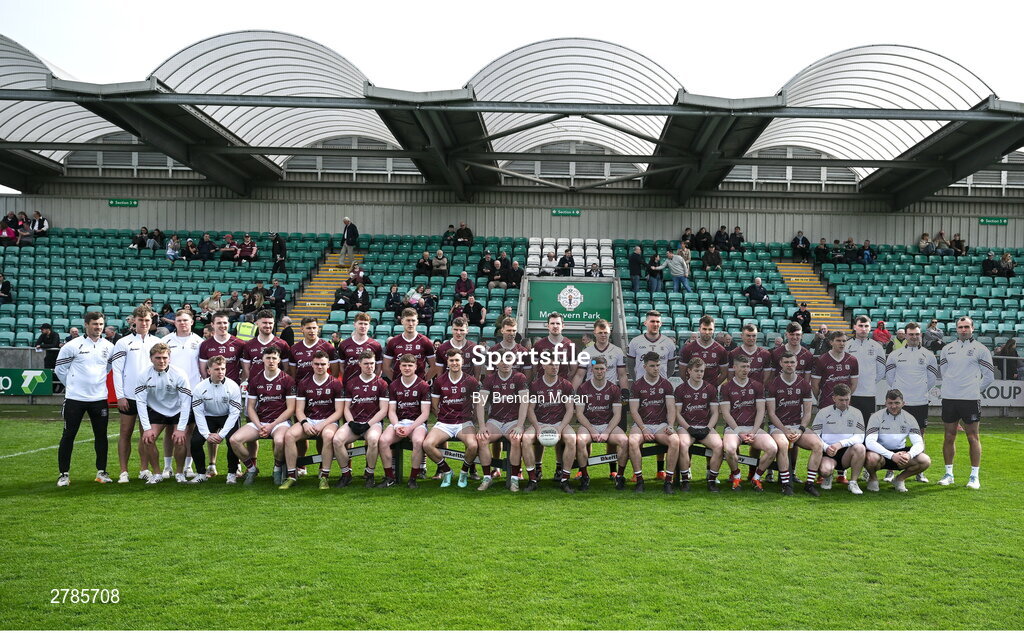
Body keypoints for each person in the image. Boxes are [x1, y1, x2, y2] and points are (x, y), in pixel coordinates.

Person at [53, 311, 115, 487]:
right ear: (86, 325)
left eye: (101, 324)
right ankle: (63, 474)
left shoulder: (109, 347)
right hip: (75, 399)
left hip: (99, 399)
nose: (98, 327)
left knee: (101, 436)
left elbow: (108, 367)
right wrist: (73, 386)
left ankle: (101, 472)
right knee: (69, 435)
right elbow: (60, 369)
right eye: (95, 324)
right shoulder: (72, 346)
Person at [937, 316, 994, 489]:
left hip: (970, 399)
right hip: (949, 399)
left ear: (973, 328)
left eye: (966, 327)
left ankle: (974, 477)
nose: (963, 330)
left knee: (973, 437)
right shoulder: (947, 349)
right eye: (960, 327)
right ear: (956, 329)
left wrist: (974, 390)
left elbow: (989, 376)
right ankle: (949, 474)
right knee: (949, 436)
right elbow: (945, 373)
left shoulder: (981, 349)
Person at [279, 350, 345, 490]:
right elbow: (299, 410)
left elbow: (339, 411)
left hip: (328, 421)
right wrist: (304, 422)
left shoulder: (336, 384)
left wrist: (322, 424)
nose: (319, 367)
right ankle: (291, 475)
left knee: (328, 436)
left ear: (328, 365)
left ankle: (324, 476)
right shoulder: (304, 383)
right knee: (289, 435)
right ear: (312, 365)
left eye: (322, 364)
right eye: (316, 364)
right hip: (309, 420)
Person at [231, 346, 296, 485]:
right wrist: (260, 425)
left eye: (274, 358)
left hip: (280, 423)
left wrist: (271, 425)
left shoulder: (287, 380)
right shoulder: (255, 380)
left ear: (279, 360)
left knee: (279, 441)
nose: (271, 361)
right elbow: (250, 407)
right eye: (268, 358)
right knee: (234, 440)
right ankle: (252, 469)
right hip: (260, 422)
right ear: (262, 359)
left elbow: (290, 409)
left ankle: (277, 468)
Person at [884, 322, 939, 483]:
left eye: (917, 334)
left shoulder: (928, 355)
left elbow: (931, 379)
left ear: (920, 335)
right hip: (900, 403)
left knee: (920, 435)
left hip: (920, 401)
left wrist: (919, 390)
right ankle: (890, 470)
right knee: (893, 436)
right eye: (911, 334)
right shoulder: (895, 354)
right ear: (905, 336)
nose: (914, 337)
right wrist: (899, 395)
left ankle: (919, 472)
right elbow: (890, 378)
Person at [111, 306, 161, 484]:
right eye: (140, 320)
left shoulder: (156, 342)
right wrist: (120, 396)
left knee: (146, 434)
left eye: (147, 320)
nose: (144, 323)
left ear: (151, 321)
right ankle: (123, 472)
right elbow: (117, 370)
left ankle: (143, 469)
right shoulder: (123, 342)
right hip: (129, 396)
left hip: (150, 397)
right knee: (125, 433)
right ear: (133, 321)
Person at [134, 343, 193, 485]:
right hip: (156, 410)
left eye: (165, 357)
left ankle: (179, 473)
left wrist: (180, 429)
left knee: (180, 439)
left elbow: (186, 403)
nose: (162, 361)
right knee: (147, 439)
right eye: (158, 358)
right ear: (151, 359)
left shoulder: (179, 374)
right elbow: (140, 402)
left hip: (177, 410)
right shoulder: (143, 375)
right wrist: (146, 428)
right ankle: (157, 473)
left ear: (170, 358)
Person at [765, 352, 822, 495]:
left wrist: (801, 430)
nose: (789, 365)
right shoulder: (773, 384)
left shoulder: (803, 384)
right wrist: (784, 430)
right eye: (786, 362)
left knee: (818, 445)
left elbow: (808, 413)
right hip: (778, 427)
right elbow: (771, 414)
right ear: (781, 364)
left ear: (797, 364)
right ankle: (786, 484)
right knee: (783, 444)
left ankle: (809, 484)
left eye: (792, 362)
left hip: (797, 426)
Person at [424, 349, 481, 489]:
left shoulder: (471, 381)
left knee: (473, 445)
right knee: (427, 444)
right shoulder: (439, 381)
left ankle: (463, 472)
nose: (454, 363)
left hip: (464, 422)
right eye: (451, 360)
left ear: (462, 361)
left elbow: (478, 403)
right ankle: (446, 471)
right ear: (447, 362)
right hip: (444, 422)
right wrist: (442, 416)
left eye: (457, 360)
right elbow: (435, 405)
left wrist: (472, 418)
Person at [719, 355, 776, 492]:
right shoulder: (726, 387)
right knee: (730, 449)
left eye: (748, 367)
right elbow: (726, 414)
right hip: (734, 429)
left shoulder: (757, 386)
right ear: (734, 367)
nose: (745, 369)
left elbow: (761, 411)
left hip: (753, 428)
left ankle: (756, 478)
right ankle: (737, 476)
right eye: (742, 367)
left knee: (772, 448)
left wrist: (754, 431)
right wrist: (740, 432)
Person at [625, 352, 680, 494]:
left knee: (674, 440)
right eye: (652, 366)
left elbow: (670, 408)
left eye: (658, 365)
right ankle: (639, 480)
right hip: (642, 424)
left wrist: (670, 425)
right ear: (644, 366)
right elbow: (634, 411)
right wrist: (643, 429)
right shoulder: (637, 385)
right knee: (632, 441)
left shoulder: (666, 384)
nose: (656, 369)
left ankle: (668, 480)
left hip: (661, 425)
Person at [477, 352, 530, 491]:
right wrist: (482, 426)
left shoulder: (519, 377)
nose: (505, 363)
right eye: (502, 360)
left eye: (508, 360)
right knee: (482, 439)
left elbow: (525, 403)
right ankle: (487, 478)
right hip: (495, 420)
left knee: (515, 439)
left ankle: (514, 479)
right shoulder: (489, 379)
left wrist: (519, 426)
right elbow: (480, 404)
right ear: (496, 363)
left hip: (513, 421)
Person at [187, 355, 244, 485]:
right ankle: (201, 474)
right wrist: (207, 434)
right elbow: (199, 413)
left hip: (228, 416)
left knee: (232, 441)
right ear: (209, 371)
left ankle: (232, 473)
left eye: (223, 369)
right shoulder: (199, 388)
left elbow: (235, 413)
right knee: (195, 441)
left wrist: (221, 434)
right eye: (217, 369)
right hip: (208, 417)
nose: (221, 372)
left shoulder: (233, 386)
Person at [161, 309, 203, 479]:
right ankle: (167, 466)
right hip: (170, 392)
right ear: (174, 322)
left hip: (192, 391)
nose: (182, 323)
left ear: (192, 322)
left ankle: (187, 466)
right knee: (170, 429)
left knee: (188, 430)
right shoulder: (165, 341)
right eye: (179, 320)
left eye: (185, 320)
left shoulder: (200, 342)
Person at [522, 359, 576, 493]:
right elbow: (530, 409)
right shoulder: (535, 385)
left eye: (557, 364)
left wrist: (560, 427)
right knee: (526, 439)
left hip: (559, 422)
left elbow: (570, 410)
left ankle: (565, 479)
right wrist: (537, 427)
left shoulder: (566, 385)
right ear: (544, 365)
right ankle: (532, 479)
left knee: (571, 438)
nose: (555, 367)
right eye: (551, 364)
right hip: (540, 422)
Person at [574, 355, 627, 491]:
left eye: (602, 369)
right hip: (589, 425)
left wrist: (607, 432)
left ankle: (619, 476)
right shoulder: (583, 388)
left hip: (607, 425)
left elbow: (617, 415)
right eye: (596, 368)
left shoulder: (614, 388)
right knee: (580, 440)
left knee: (624, 441)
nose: (599, 371)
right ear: (592, 369)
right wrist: (592, 430)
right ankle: (584, 476)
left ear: (606, 370)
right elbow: (579, 414)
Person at [379, 354, 431, 489]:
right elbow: (391, 411)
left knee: (419, 441)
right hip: (399, 421)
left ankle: (413, 478)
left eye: (410, 365)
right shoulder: (394, 385)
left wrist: (410, 428)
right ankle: (389, 477)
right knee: (383, 440)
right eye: (404, 365)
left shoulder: (423, 385)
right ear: (399, 367)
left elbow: (425, 413)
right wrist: (396, 426)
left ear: (415, 367)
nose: (407, 368)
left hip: (417, 423)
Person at [864, 389, 931, 492]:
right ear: (885, 403)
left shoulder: (910, 418)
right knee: (871, 458)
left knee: (925, 460)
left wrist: (909, 455)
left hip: (901, 455)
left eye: (897, 403)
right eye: (890, 403)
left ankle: (899, 479)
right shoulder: (876, 417)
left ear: (903, 403)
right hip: (881, 455)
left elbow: (919, 443)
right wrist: (891, 455)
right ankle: (873, 478)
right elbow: (870, 442)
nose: (893, 406)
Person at [673, 357, 724, 492]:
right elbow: (677, 414)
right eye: (696, 370)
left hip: (705, 426)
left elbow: (714, 413)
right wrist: (689, 428)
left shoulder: (710, 388)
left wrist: (708, 428)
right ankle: (685, 480)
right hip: (686, 426)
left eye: (701, 371)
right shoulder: (680, 389)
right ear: (689, 371)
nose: (699, 373)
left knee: (719, 446)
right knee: (683, 444)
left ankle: (712, 481)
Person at [808, 383, 866, 494]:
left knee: (860, 448)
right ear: (834, 398)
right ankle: (827, 476)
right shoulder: (823, 412)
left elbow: (860, 436)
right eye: (841, 400)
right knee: (825, 471)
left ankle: (853, 482)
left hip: (846, 452)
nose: (844, 403)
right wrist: (825, 447)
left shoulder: (857, 413)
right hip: (828, 452)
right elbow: (815, 434)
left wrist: (840, 444)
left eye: (847, 400)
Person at [846, 315, 887, 427]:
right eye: (860, 326)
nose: (863, 329)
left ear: (870, 328)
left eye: (866, 326)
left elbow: (881, 371)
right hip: (850, 394)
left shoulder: (877, 347)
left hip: (869, 393)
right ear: (854, 327)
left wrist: (870, 382)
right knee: (850, 426)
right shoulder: (846, 345)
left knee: (867, 425)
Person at [383, 308, 436, 381]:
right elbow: (386, 367)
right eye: (408, 320)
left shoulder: (425, 341)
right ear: (402, 321)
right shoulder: (393, 342)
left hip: (418, 386)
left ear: (417, 322)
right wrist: (396, 381)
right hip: (399, 387)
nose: (411, 324)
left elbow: (434, 366)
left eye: (413, 320)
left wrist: (423, 381)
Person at [240, 310, 292, 384]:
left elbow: (286, 368)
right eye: (264, 323)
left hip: (276, 386)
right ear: (257, 323)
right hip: (255, 387)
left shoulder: (282, 344)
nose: (268, 326)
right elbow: (246, 368)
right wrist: (252, 382)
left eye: (270, 323)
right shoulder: (249, 345)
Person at [812, 330, 859, 410]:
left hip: (845, 405)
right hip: (826, 404)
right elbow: (814, 385)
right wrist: (821, 398)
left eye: (844, 341)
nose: (842, 343)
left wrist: (845, 398)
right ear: (831, 342)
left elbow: (853, 384)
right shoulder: (821, 360)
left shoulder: (852, 360)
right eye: (838, 340)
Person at [678, 315, 729, 387]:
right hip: (691, 390)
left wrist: (713, 386)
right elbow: (682, 372)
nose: (707, 332)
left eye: (710, 329)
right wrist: (690, 386)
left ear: (714, 330)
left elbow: (724, 373)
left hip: (711, 392)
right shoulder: (688, 348)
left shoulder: (721, 350)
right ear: (699, 329)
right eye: (704, 329)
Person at [628, 310, 676, 382]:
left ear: (661, 324)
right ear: (645, 323)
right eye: (652, 321)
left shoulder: (669, 343)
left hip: (661, 386)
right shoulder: (635, 342)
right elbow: (630, 366)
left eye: (657, 322)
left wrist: (662, 380)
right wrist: (637, 381)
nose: (655, 324)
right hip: (641, 386)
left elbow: (671, 369)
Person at [337, 312, 383, 383]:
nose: (363, 326)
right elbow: (341, 367)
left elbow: (379, 368)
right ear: (354, 324)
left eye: (365, 324)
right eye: (360, 323)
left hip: (370, 385)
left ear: (369, 326)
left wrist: (372, 382)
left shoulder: (375, 345)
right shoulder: (344, 344)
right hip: (349, 385)